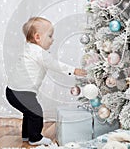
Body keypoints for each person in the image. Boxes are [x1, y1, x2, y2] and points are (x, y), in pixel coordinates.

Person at [5, 17, 86, 146]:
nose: (52, 40)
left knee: (29, 112)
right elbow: (55, 65)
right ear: (37, 37)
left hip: (12, 91)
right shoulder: (39, 53)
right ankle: (35, 137)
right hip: (21, 92)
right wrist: (74, 70)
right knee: (36, 113)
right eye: (50, 36)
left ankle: (26, 135)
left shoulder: (29, 48)